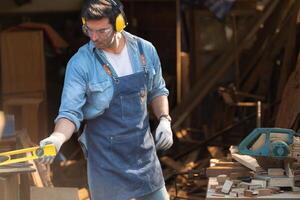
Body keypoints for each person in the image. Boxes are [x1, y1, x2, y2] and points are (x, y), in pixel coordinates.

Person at [39, 0, 173, 199]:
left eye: (101, 31)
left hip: (143, 155)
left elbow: (157, 90)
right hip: (105, 160)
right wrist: (57, 137)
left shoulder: (145, 51)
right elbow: (70, 112)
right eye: (88, 30)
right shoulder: (80, 63)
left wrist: (164, 119)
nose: (94, 37)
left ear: (119, 24)